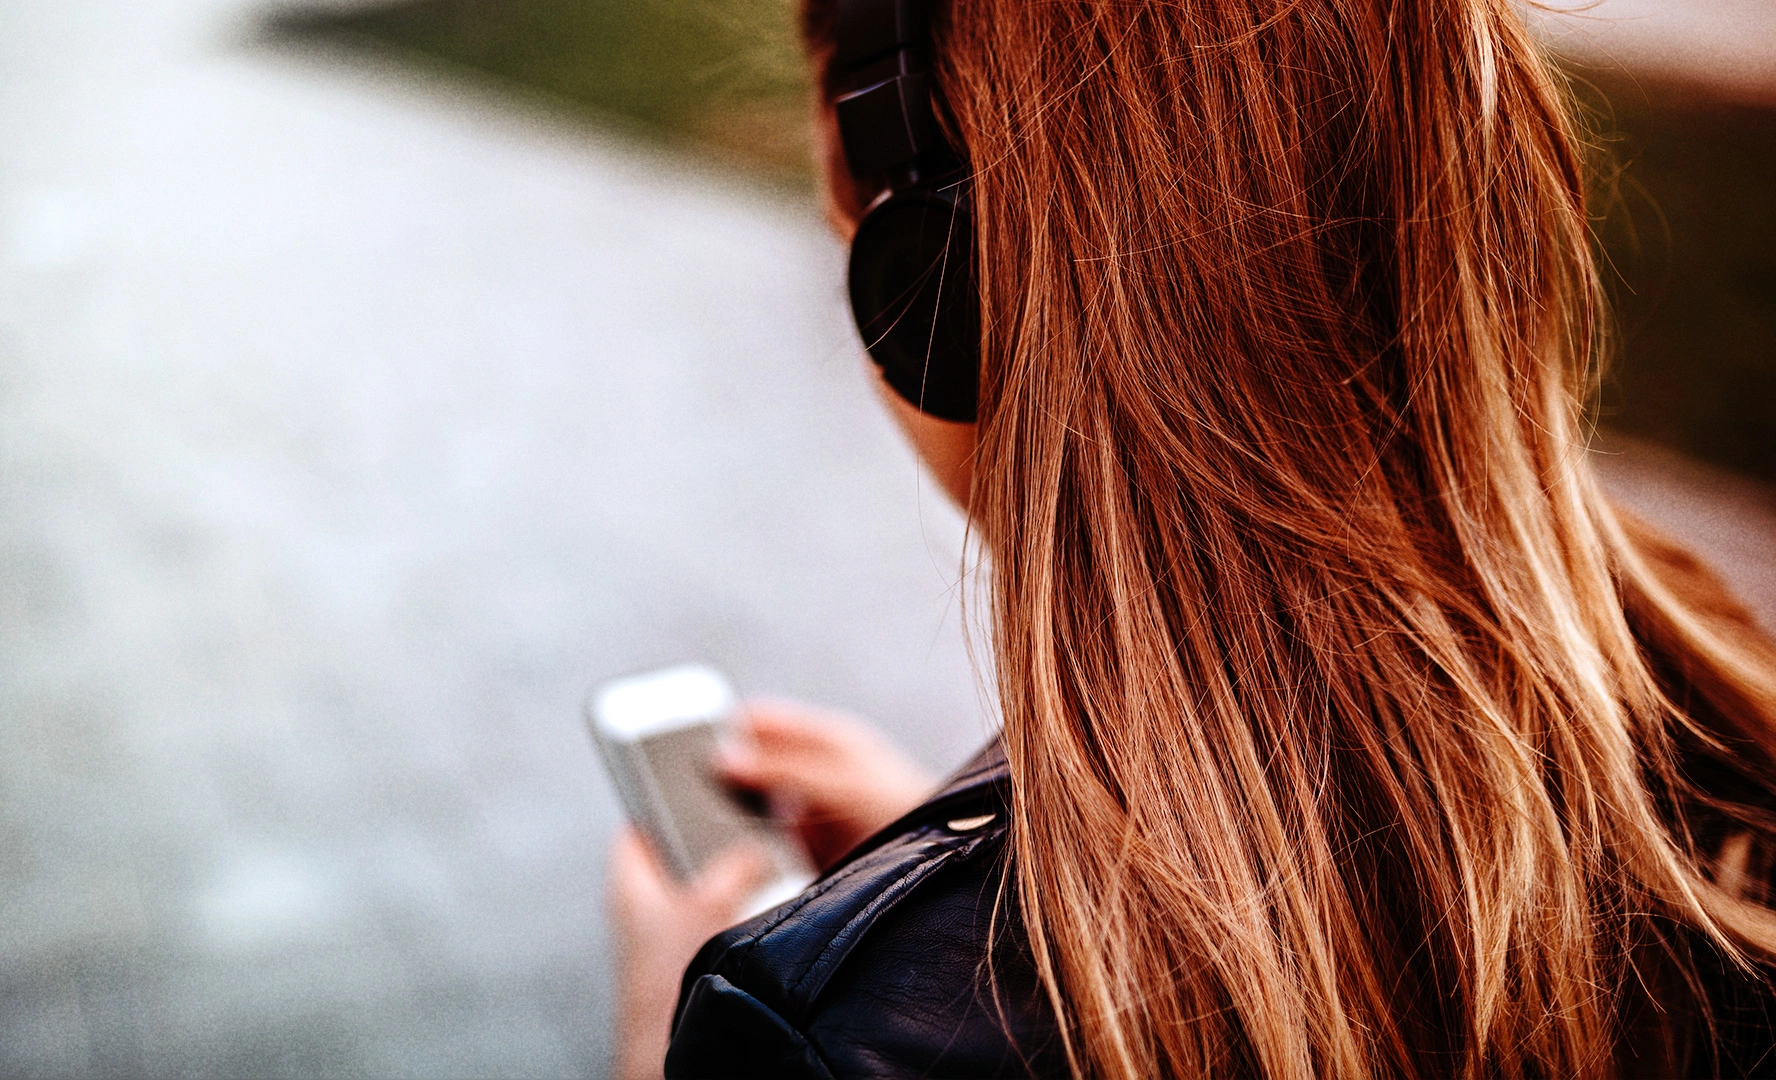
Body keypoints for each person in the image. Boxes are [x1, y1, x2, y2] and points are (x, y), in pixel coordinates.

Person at [609, 0, 1776, 1076]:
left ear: (934, 284)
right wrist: (963, 896)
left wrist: (688, 1027)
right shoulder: (1714, 706)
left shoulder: (824, 1034)